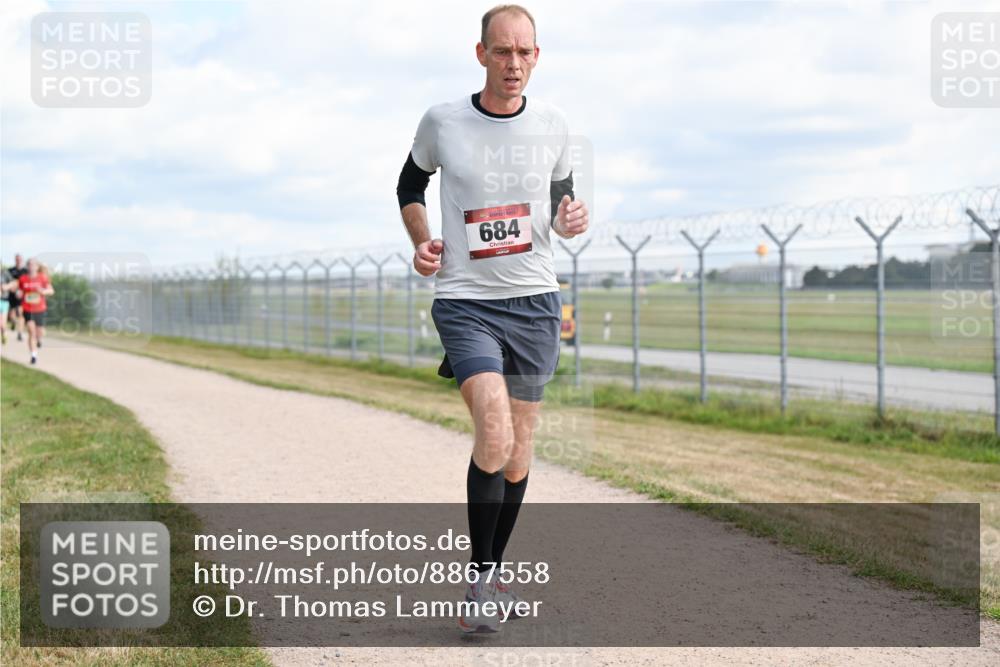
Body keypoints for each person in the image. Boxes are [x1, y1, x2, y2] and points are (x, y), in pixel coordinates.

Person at [396, 4, 589, 634]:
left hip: (535, 302)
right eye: (502, 51)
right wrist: (423, 241)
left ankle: (492, 571)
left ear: (537, 56)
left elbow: (560, 200)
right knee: (496, 433)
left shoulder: (555, 124)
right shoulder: (443, 121)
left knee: (519, 451)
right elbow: (409, 186)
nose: (513, 63)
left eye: (524, 52)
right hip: (465, 303)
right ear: (481, 54)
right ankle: (480, 584)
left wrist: (569, 218)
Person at [3, 258, 54, 365]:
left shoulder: (42, 278)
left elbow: (51, 290)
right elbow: (17, 288)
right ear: (27, 266)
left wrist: (43, 291)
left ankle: (39, 340)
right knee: (31, 331)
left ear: (37, 267)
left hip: (40, 308)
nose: (31, 267)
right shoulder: (23, 278)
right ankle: (33, 355)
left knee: (39, 332)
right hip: (27, 308)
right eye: (29, 265)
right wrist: (18, 293)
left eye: (33, 265)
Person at [6, 254, 26, 341]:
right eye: (17, 259)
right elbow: (6, 281)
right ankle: (14, 322)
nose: (18, 261)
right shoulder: (10, 270)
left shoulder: (25, 271)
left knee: (21, 314)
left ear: (22, 260)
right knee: (11, 315)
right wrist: (11, 288)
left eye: (20, 259)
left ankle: (20, 333)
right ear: (15, 260)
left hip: (22, 296)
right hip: (11, 295)